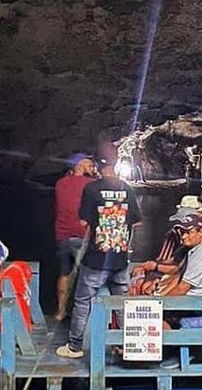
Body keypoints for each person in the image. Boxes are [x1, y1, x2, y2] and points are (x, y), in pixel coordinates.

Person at [57, 150, 141, 360]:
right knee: (121, 304)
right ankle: (126, 345)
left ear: (99, 167)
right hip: (120, 258)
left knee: (83, 301)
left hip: (96, 257)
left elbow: (84, 221)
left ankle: (75, 347)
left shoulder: (91, 188)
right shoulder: (127, 189)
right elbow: (137, 221)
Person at [53, 154, 96, 320]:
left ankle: (60, 311)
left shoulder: (60, 184)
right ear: (79, 164)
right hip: (83, 234)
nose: (91, 166)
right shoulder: (91, 185)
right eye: (88, 163)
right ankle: (84, 315)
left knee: (64, 273)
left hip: (62, 234)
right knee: (87, 275)